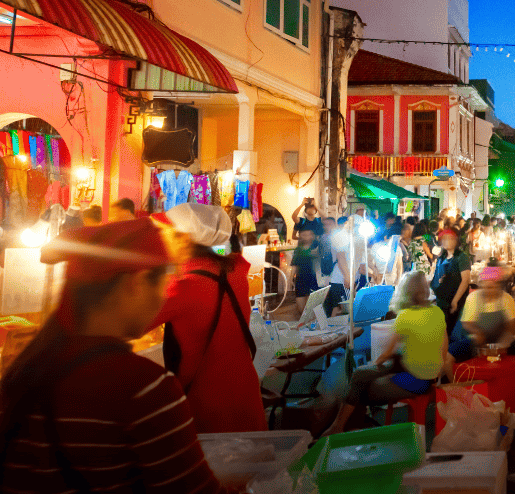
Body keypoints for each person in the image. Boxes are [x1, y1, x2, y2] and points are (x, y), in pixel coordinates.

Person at [0, 218, 234, 493]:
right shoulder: (144, 388)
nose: (164, 297)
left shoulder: (25, 370)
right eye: (164, 284)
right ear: (137, 282)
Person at [148, 203, 265, 433]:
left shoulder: (182, 287)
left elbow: (127, 324)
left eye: (165, 233)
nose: (159, 239)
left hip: (207, 406)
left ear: (183, 239)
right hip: (245, 395)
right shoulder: (235, 272)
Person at [325, 270, 448, 436]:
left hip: (415, 379)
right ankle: (342, 426)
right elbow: (444, 348)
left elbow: (386, 354)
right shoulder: (437, 312)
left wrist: (374, 367)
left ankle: (339, 427)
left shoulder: (405, 316)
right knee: (361, 376)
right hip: (431, 376)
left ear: (404, 292)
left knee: (360, 383)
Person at [450, 266, 515, 361]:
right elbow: (467, 323)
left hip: (502, 338)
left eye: (493, 286)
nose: (490, 290)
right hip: (477, 338)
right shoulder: (473, 298)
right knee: (450, 354)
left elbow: (513, 323)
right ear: (481, 285)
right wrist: (478, 333)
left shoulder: (506, 298)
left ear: (499, 286)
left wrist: (505, 340)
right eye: (487, 287)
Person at [431, 228, 472, 332]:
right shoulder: (441, 258)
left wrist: (455, 301)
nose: (445, 241)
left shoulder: (462, 257)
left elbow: (465, 280)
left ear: (456, 240)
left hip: (455, 302)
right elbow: (436, 278)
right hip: (441, 302)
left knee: (452, 332)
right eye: (443, 239)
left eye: (449, 238)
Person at [291, 227, 321, 314]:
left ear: (313, 235)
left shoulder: (317, 246)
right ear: (300, 236)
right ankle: (303, 326)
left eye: (309, 234)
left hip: (313, 280)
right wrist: (291, 280)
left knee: (311, 309)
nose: (307, 236)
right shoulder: (298, 249)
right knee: (301, 309)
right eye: (304, 234)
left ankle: (311, 326)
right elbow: (294, 265)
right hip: (300, 280)